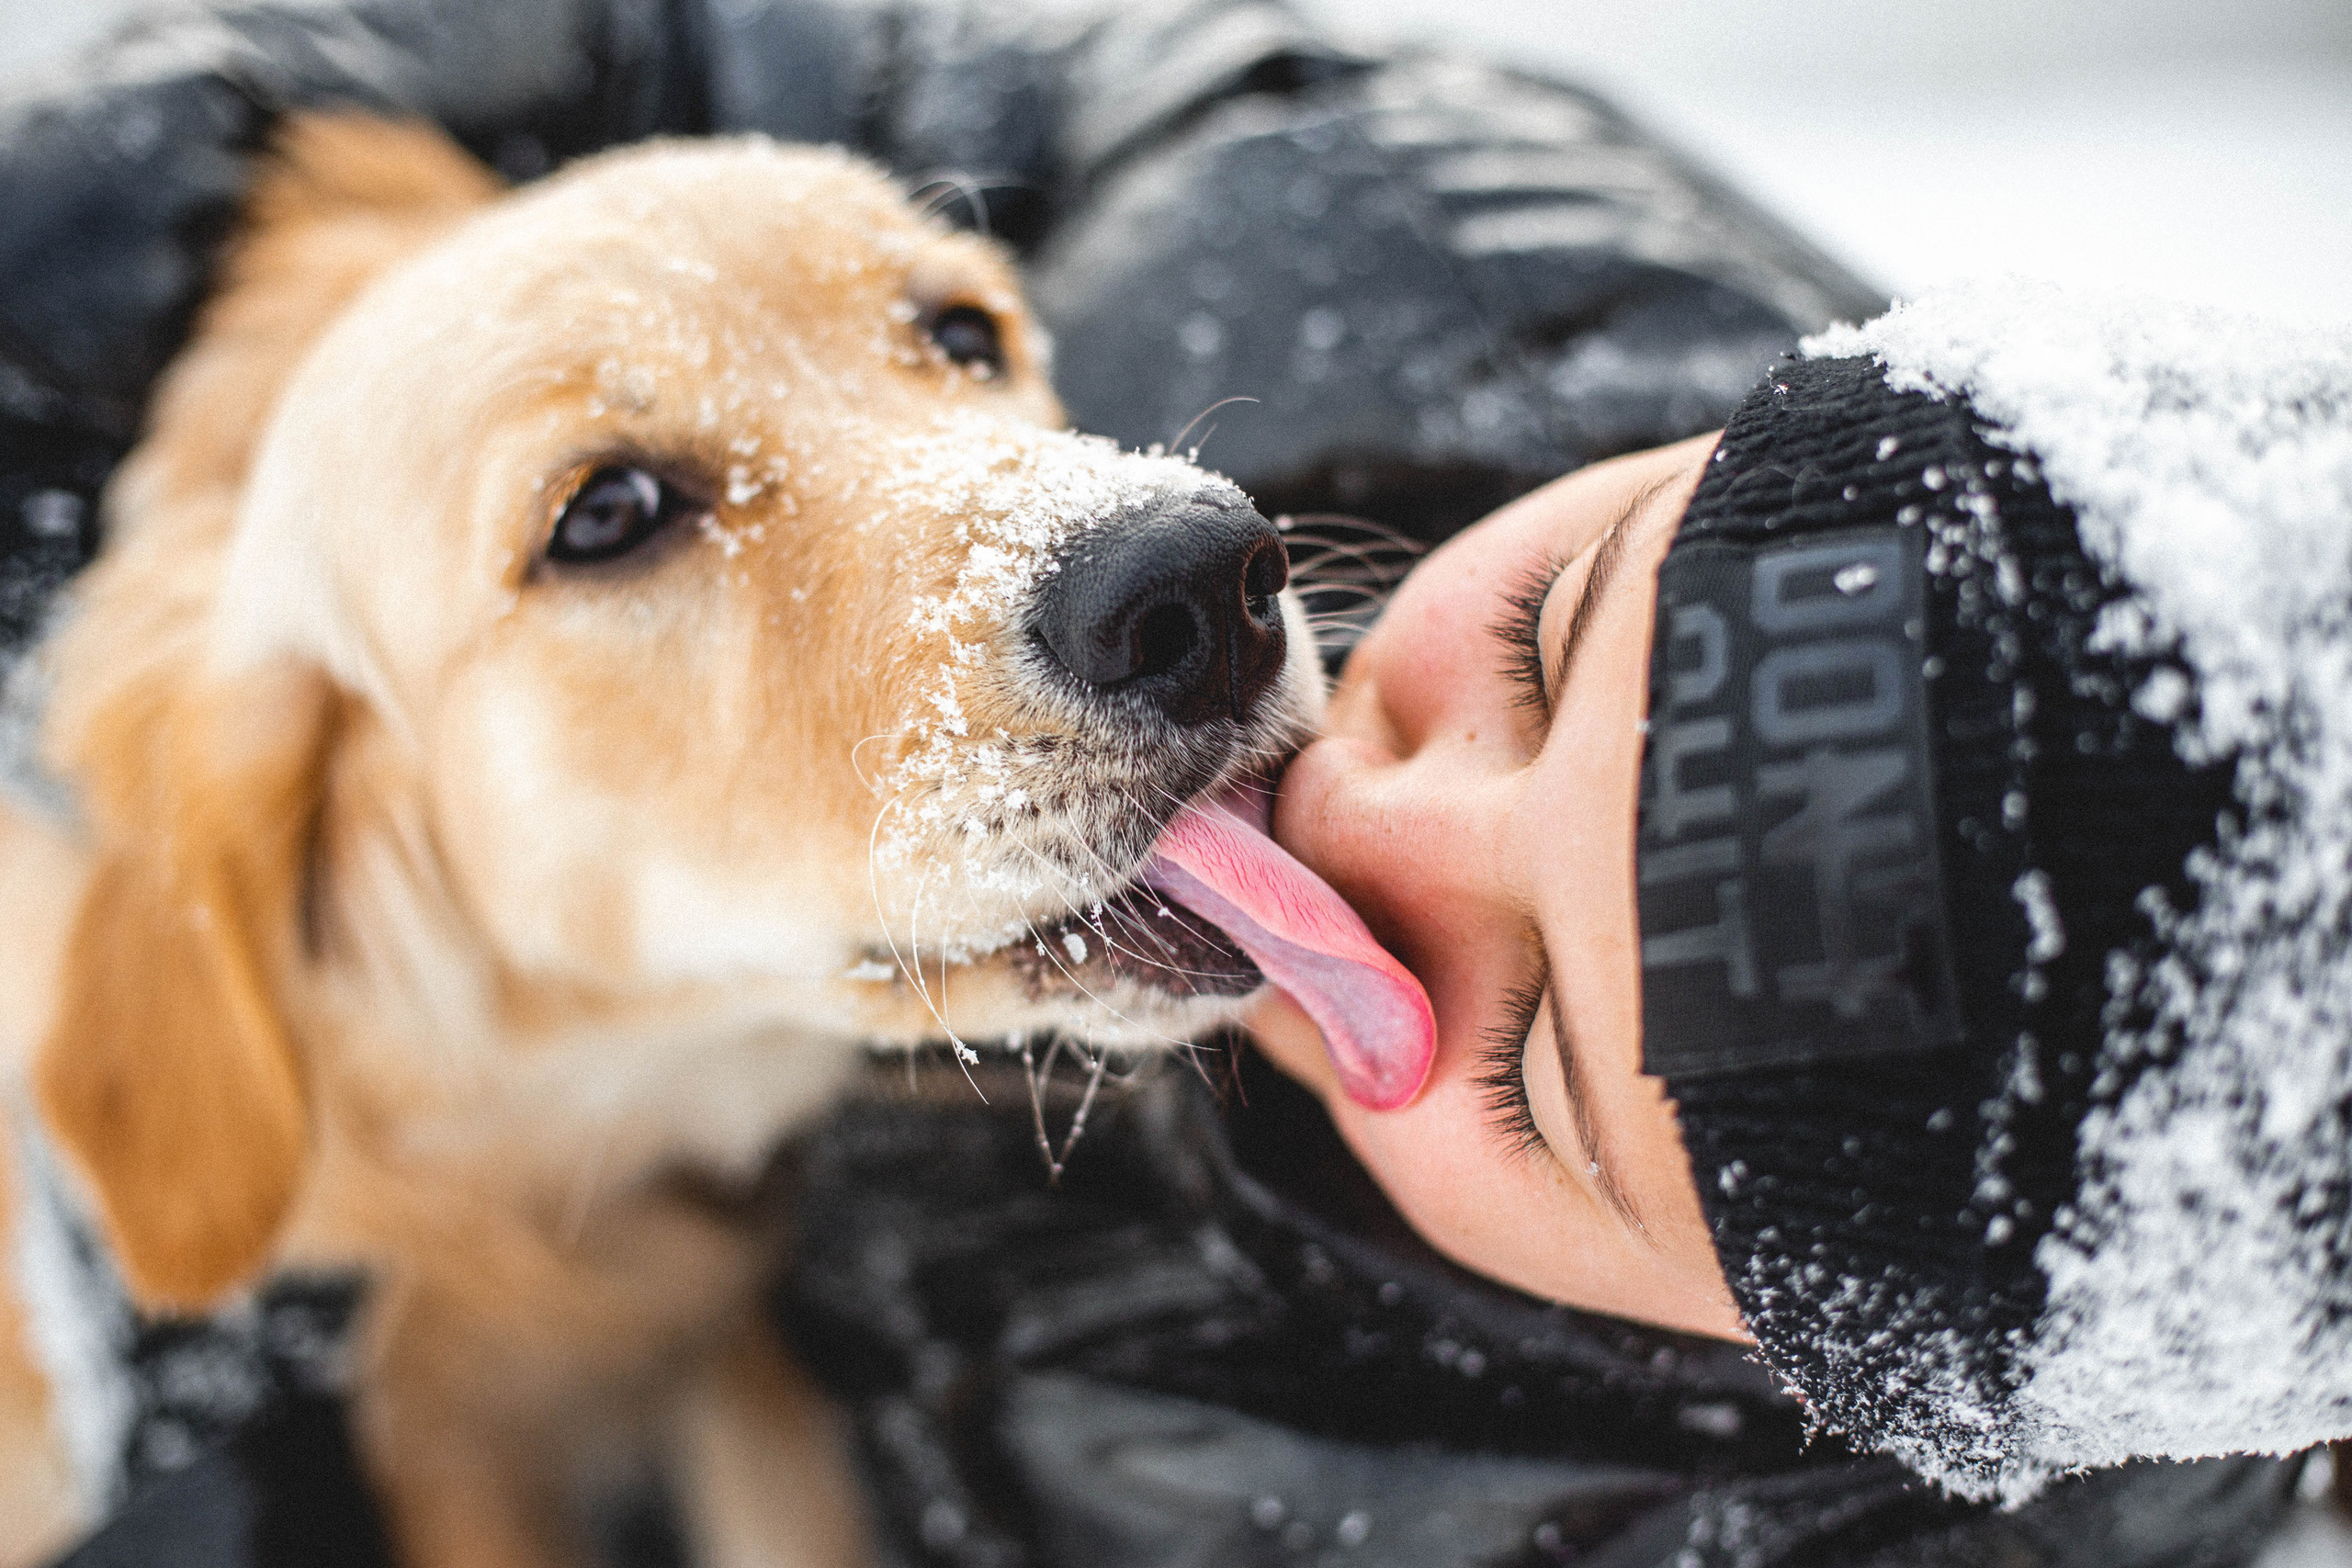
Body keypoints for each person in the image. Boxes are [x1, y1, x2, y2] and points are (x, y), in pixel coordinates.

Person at [0, 2, 2327, 1565]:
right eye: (1520, 648)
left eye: (1524, 1044)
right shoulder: (1379, 248)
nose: (1345, 801)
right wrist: (206, 168)